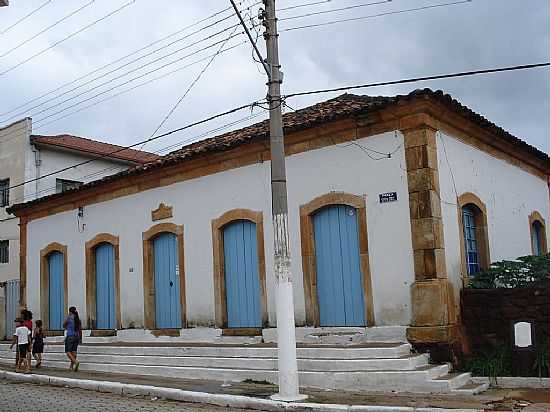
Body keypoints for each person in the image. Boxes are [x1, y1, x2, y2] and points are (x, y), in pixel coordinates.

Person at [63, 306, 81, 371]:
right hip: (76, 336)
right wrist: (80, 339)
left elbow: (63, 325)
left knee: (68, 352)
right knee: (74, 352)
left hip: (70, 336)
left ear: (70, 311)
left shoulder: (69, 318)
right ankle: (71, 366)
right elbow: (80, 329)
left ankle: (76, 362)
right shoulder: (77, 319)